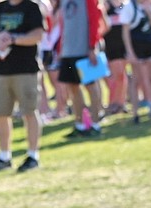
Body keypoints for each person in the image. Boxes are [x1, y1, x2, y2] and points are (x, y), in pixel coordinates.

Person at [0, 0, 45, 172]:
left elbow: (38, 35)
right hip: (2, 70)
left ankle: (33, 155)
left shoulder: (31, 7)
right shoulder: (0, 7)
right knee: (0, 114)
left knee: (29, 112)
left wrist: (14, 39)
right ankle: (4, 156)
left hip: (26, 69)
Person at [58, 0, 106, 136]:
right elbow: (63, 23)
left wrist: (92, 46)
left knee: (91, 86)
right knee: (73, 88)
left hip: (84, 50)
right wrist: (60, 48)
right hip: (68, 50)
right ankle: (80, 125)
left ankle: (95, 125)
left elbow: (95, 18)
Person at [120, 0, 151, 122]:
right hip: (136, 46)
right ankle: (135, 113)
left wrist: (149, 11)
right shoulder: (129, 6)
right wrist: (130, 52)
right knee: (135, 80)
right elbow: (125, 31)